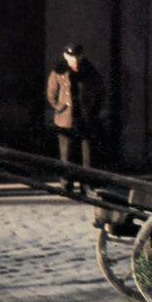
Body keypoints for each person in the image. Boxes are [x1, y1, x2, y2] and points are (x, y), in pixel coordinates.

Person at [46, 42, 103, 194]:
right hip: (66, 118)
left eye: (76, 56)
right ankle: (66, 183)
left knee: (87, 155)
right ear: (65, 56)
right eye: (71, 56)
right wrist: (60, 107)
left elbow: (99, 92)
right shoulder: (58, 70)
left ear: (82, 56)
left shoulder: (90, 71)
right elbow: (51, 93)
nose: (74, 59)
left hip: (85, 117)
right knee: (67, 154)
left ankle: (87, 185)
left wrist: (93, 110)